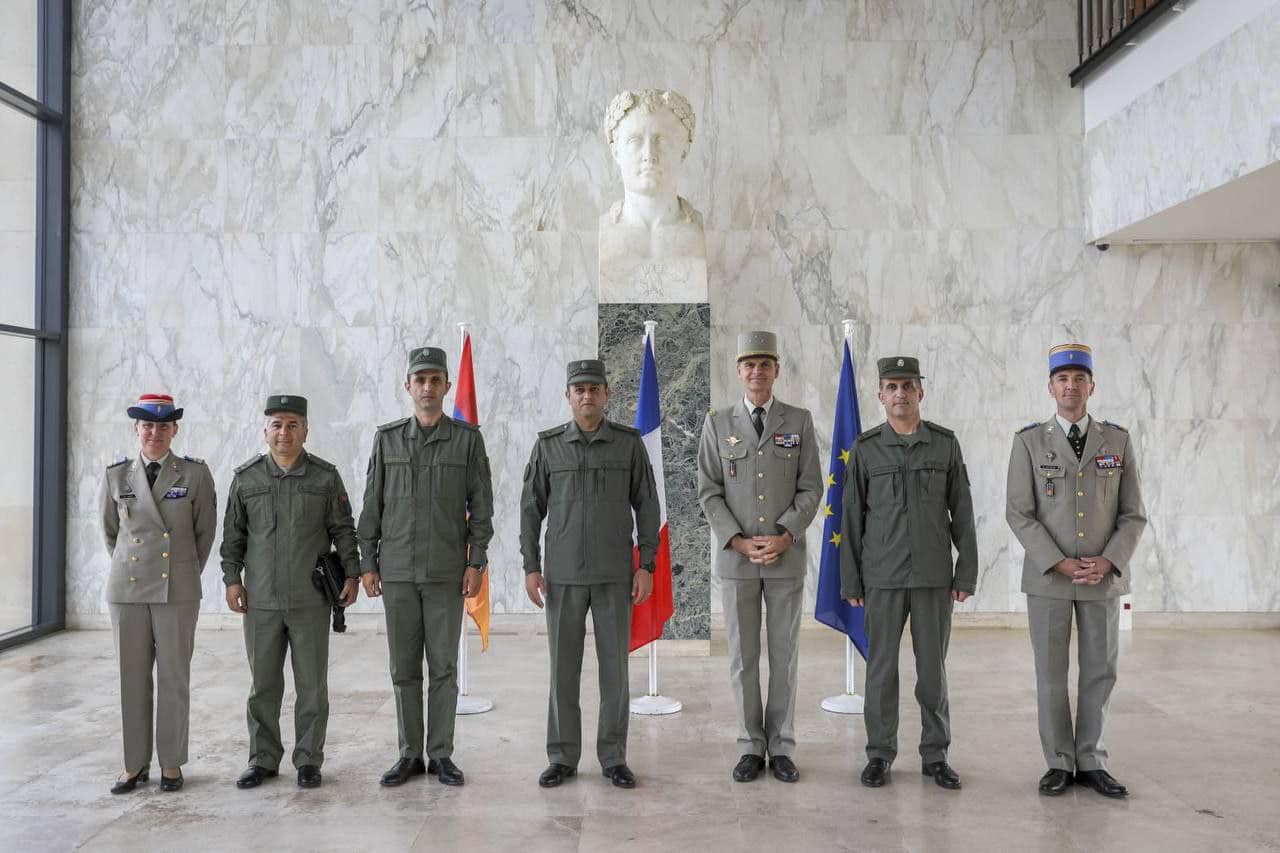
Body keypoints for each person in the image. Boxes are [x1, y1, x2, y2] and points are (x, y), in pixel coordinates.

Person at [1006, 343, 1147, 799]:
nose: (1071, 386)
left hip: (1101, 578)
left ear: (1092, 386)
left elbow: (1133, 514)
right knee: (1050, 673)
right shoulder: (1029, 442)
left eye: (1079, 378)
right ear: (1050, 387)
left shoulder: (1117, 441)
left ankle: (1091, 760)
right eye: (1062, 379)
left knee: (1099, 672)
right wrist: (1058, 561)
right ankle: (1058, 762)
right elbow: (1019, 512)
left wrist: (1109, 561)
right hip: (1049, 578)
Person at [519, 358, 660, 790]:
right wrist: (531, 566)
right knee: (563, 671)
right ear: (568, 395)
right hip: (562, 577)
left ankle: (614, 757)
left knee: (614, 672)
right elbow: (530, 510)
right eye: (579, 389)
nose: (587, 395)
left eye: (594, 388)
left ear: (606, 394)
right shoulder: (548, 446)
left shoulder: (627, 445)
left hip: (614, 575)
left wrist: (647, 565)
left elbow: (648, 506)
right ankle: (562, 757)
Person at [839, 357, 977, 790]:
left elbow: (963, 512)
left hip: (933, 576)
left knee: (933, 672)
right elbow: (851, 518)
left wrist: (966, 572)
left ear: (921, 392)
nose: (900, 394)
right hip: (882, 576)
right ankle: (879, 754)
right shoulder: (865, 448)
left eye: (908, 385)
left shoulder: (944, 445)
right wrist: (850, 579)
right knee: (881, 671)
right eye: (892, 387)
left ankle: (936, 755)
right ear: (880, 395)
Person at [358, 348, 494, 788]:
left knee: (443, 668)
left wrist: (476, 561)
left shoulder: (467, 440)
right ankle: (408, 754)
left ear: (447, 386)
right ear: (408, 386)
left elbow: (482, 508)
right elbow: (372, 505)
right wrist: (367, 563)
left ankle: (440, 754)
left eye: (436, 380)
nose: (428, 387)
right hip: (397, 571)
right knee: (403, 669)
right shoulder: (388, 440)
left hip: (445, 572)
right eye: (420, 380)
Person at [696, 331, 821, 783]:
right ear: (738, 371)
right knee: (743, 659)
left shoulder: (799, 421)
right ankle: (750, 745)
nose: (757, 372)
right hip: (738, 561)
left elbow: (811, 487)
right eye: (749, 364)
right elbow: (708, 491)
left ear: (776, 370)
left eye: (764, 364)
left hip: (785, 559)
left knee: (784, 657)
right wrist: (737, 540)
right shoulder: (718, 424)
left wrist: (786, 534)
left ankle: (781, 746)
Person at [221, 395, 359, 790]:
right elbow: (233, 537)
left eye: (293, 425)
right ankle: (262, 760)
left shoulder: (324, 478)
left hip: (309, 601)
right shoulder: (246, 479)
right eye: (277, 425)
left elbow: (343, 529)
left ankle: (309, 760)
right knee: (263, 686)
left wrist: (352, 573)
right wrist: (232, 579)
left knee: (312, 686)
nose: (285, 432)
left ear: (306, 431)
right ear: (265, 430)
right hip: (261, 601)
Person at [99, 393, 216, 793]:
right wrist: (133, 566)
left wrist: (180, 571)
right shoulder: (117, 475)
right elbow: (111, 534)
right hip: (127, 590)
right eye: (147, 425)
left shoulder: (194, 474)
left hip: (177, 589)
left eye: (163, 426)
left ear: (174, 430)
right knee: (131, 679)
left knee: (173, 677)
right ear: (137, 429)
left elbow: (204, 534)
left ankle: (171, 763)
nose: (154, 433)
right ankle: (134, 764)